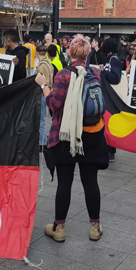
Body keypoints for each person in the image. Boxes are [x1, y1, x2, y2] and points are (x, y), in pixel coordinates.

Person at [35, 34, 108, 243]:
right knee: (90, 182)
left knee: (64, 183)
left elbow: (54, 105)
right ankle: (95, 227)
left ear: (69, 52)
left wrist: (43, 85)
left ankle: (59, 228)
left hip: (66, 135)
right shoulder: (94, 73)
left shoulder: (63, 75)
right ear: (87, 54)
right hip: (91, 135)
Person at [100, 38, 121, 162]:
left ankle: (111, 151)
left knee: (109, 123)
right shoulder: (110, 58)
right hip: (108, 94)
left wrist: (104, 72)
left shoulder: (113, 59)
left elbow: (115, 78)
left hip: (111, 95)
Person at [35, 43, 54, 151]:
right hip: (48, 92)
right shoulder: (49, 64)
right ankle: (44, 141)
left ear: (37, 53)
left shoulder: (42, 65)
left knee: (40, 119)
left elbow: (41, 81)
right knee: (42, 118)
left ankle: (42, 143)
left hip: (41, 94)